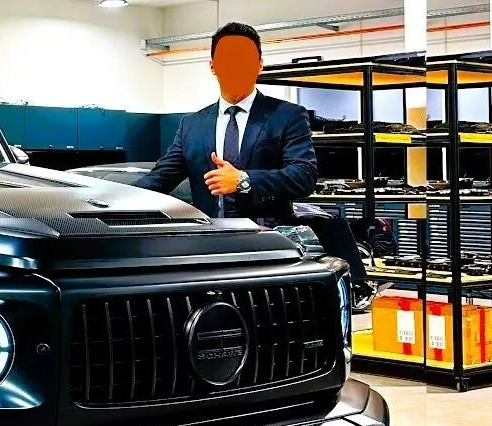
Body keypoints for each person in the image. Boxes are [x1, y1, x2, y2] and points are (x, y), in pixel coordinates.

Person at [135, 22, 372, 296]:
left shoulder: (287, 116)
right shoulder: (193, 125)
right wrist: (106, 199)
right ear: (213, 66)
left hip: (269, 248)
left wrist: (244, 180)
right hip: (208, 250)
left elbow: (304, 176)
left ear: (259, 65)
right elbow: (160, 178)